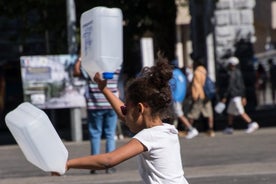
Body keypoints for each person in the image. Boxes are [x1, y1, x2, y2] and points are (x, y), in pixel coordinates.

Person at [62, 55, 189, 183]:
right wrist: (104, 89)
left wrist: (69, 164)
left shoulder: (149, 136)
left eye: (126, 109)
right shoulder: (165, 130)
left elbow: (108, 160)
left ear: (140, 109)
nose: (123, 115)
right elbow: (125, 115)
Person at [74, 56, 119, 174]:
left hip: (95, 105)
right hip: (111, 104)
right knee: (110, 134)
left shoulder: (91, 68)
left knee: (95, 134)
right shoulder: (116, 65)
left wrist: (80, 59)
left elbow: (76, 72)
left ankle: (94, 164)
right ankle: (110, 164)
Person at [221, 56, 259, 134]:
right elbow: (242, 86)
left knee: (241, 111)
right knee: (230, 112)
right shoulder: (238, 72)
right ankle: (229, 127)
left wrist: (225, 96)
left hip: (235, 95)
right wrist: (243, 96)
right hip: (237, 95)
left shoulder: (231, 74)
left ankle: (251, 123)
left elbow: (230, 86)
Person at [186, 58, 215, 138]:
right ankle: (211, 129)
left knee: (192, 113)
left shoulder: (196, 72)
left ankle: (190, 129)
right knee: (209, 113)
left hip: (199, 95)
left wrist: (194, 96)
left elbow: (196, 85)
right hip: (207, 95)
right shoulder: (204, 71)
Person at [170, 62, 198, 138]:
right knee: (174, 114)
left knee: (179, 114)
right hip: (181, 97)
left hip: (175, 97)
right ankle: (172, 131)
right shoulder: (181, 74)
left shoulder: (173, 74)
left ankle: (191, 129)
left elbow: (171, 86)